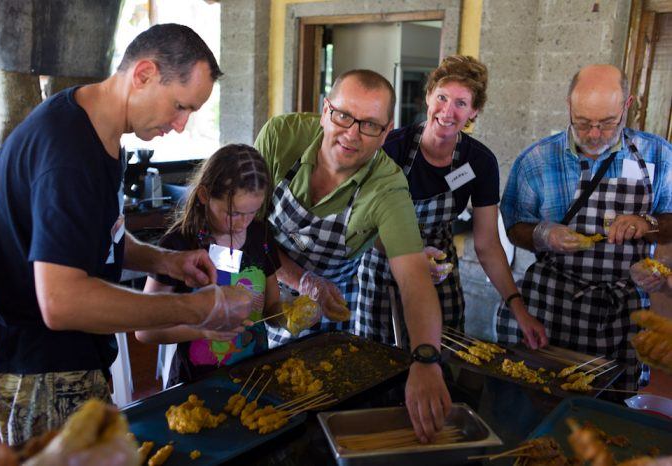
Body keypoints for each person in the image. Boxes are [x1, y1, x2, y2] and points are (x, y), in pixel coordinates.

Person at [0, 24, 253, 445]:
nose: (181, 125)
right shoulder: (69, 154)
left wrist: (164, 261)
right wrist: (197, 309)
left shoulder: (101, 133)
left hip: (68, 355)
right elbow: (62, 302)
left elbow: (101, 238)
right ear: (142, 74)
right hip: (40, 362)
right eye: (180, 106)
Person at [255, 69, 451, 442]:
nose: (352, 134)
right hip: (258, 294)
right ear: (325, 108)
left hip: (330, 321)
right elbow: (249, 229)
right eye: (343, 116)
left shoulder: (388, 185)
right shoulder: (283, 137)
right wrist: (301, 279)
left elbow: (413, 280)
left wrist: (426, 359)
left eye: (370, 125)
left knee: (316, 428)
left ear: (387, 130)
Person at [497, 64, 672, 392]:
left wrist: (647, 224)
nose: (594, 134)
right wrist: (542, 235)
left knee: (614, 404)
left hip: (622, 309)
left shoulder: (659, 157)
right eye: (582, 123)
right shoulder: (536, 159)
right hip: (551, 303)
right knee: (539, 395)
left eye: (607, 123)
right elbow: (513, 227)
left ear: (627, 106)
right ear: (569, 107)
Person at [357, 55, 548, 349]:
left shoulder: (479, 162)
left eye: (461, 103)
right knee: (378, 364)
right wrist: (411, 255)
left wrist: (518, 310)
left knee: (440, 359)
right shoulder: (391, 149)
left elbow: (487, 245)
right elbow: (365, 227)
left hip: (439, 274)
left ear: (474, 112)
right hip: (384, 268)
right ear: (428, 97)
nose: (448, 111)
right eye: (442, 97)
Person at [135, 144, 281, 386]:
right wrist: (203, 330)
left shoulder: (260, 235)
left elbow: (272, 306)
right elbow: (145, 330)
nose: (243, 223)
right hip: (196, 382)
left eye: (252, 212)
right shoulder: (179, 245)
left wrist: (292, 314)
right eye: (233, 214)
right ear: (204, 195)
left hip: (254, 375)